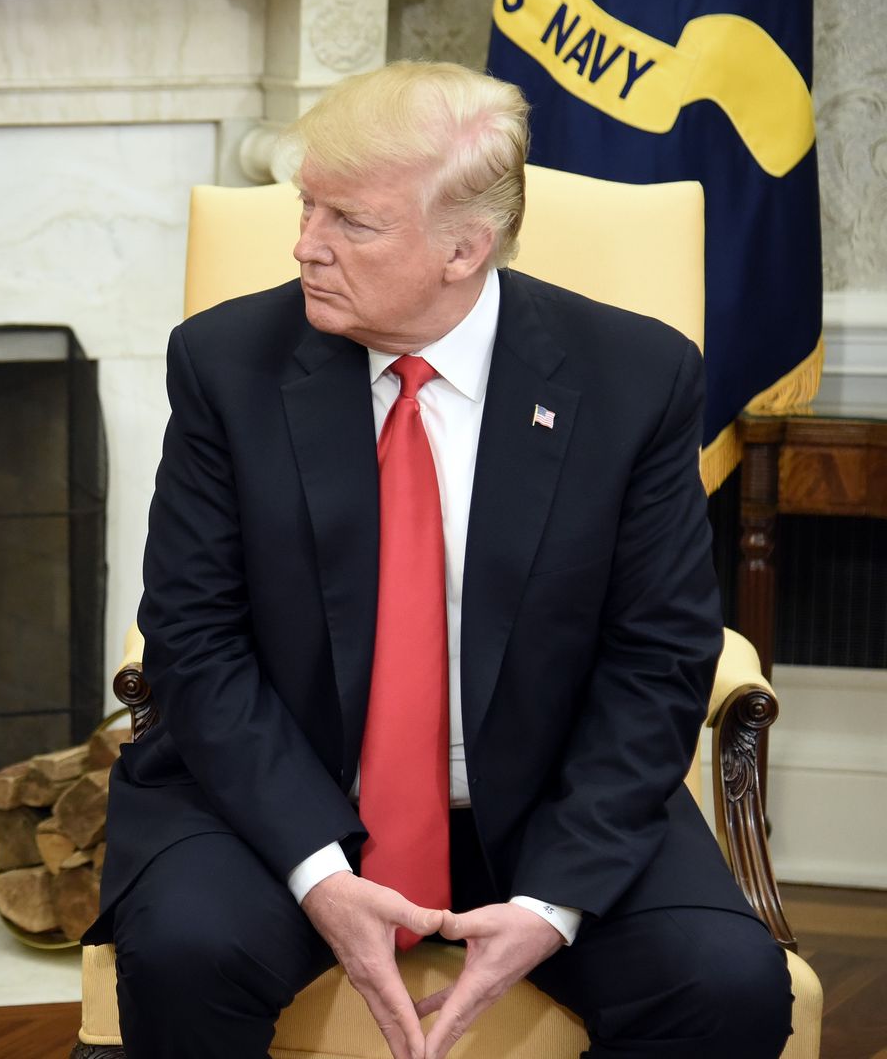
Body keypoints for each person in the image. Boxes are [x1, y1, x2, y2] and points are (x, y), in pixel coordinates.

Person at [88, 61, 793, 1059]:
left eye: (351, 222)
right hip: (284, 795)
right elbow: (195, 639)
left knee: (726, 987)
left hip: (548, 798)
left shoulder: (632, 379)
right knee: (185, 951)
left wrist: (552, 903)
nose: (305, 245)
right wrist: (318, 874)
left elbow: (659, 657)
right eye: (306, 206)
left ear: (465, 248)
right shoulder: (227, 363)